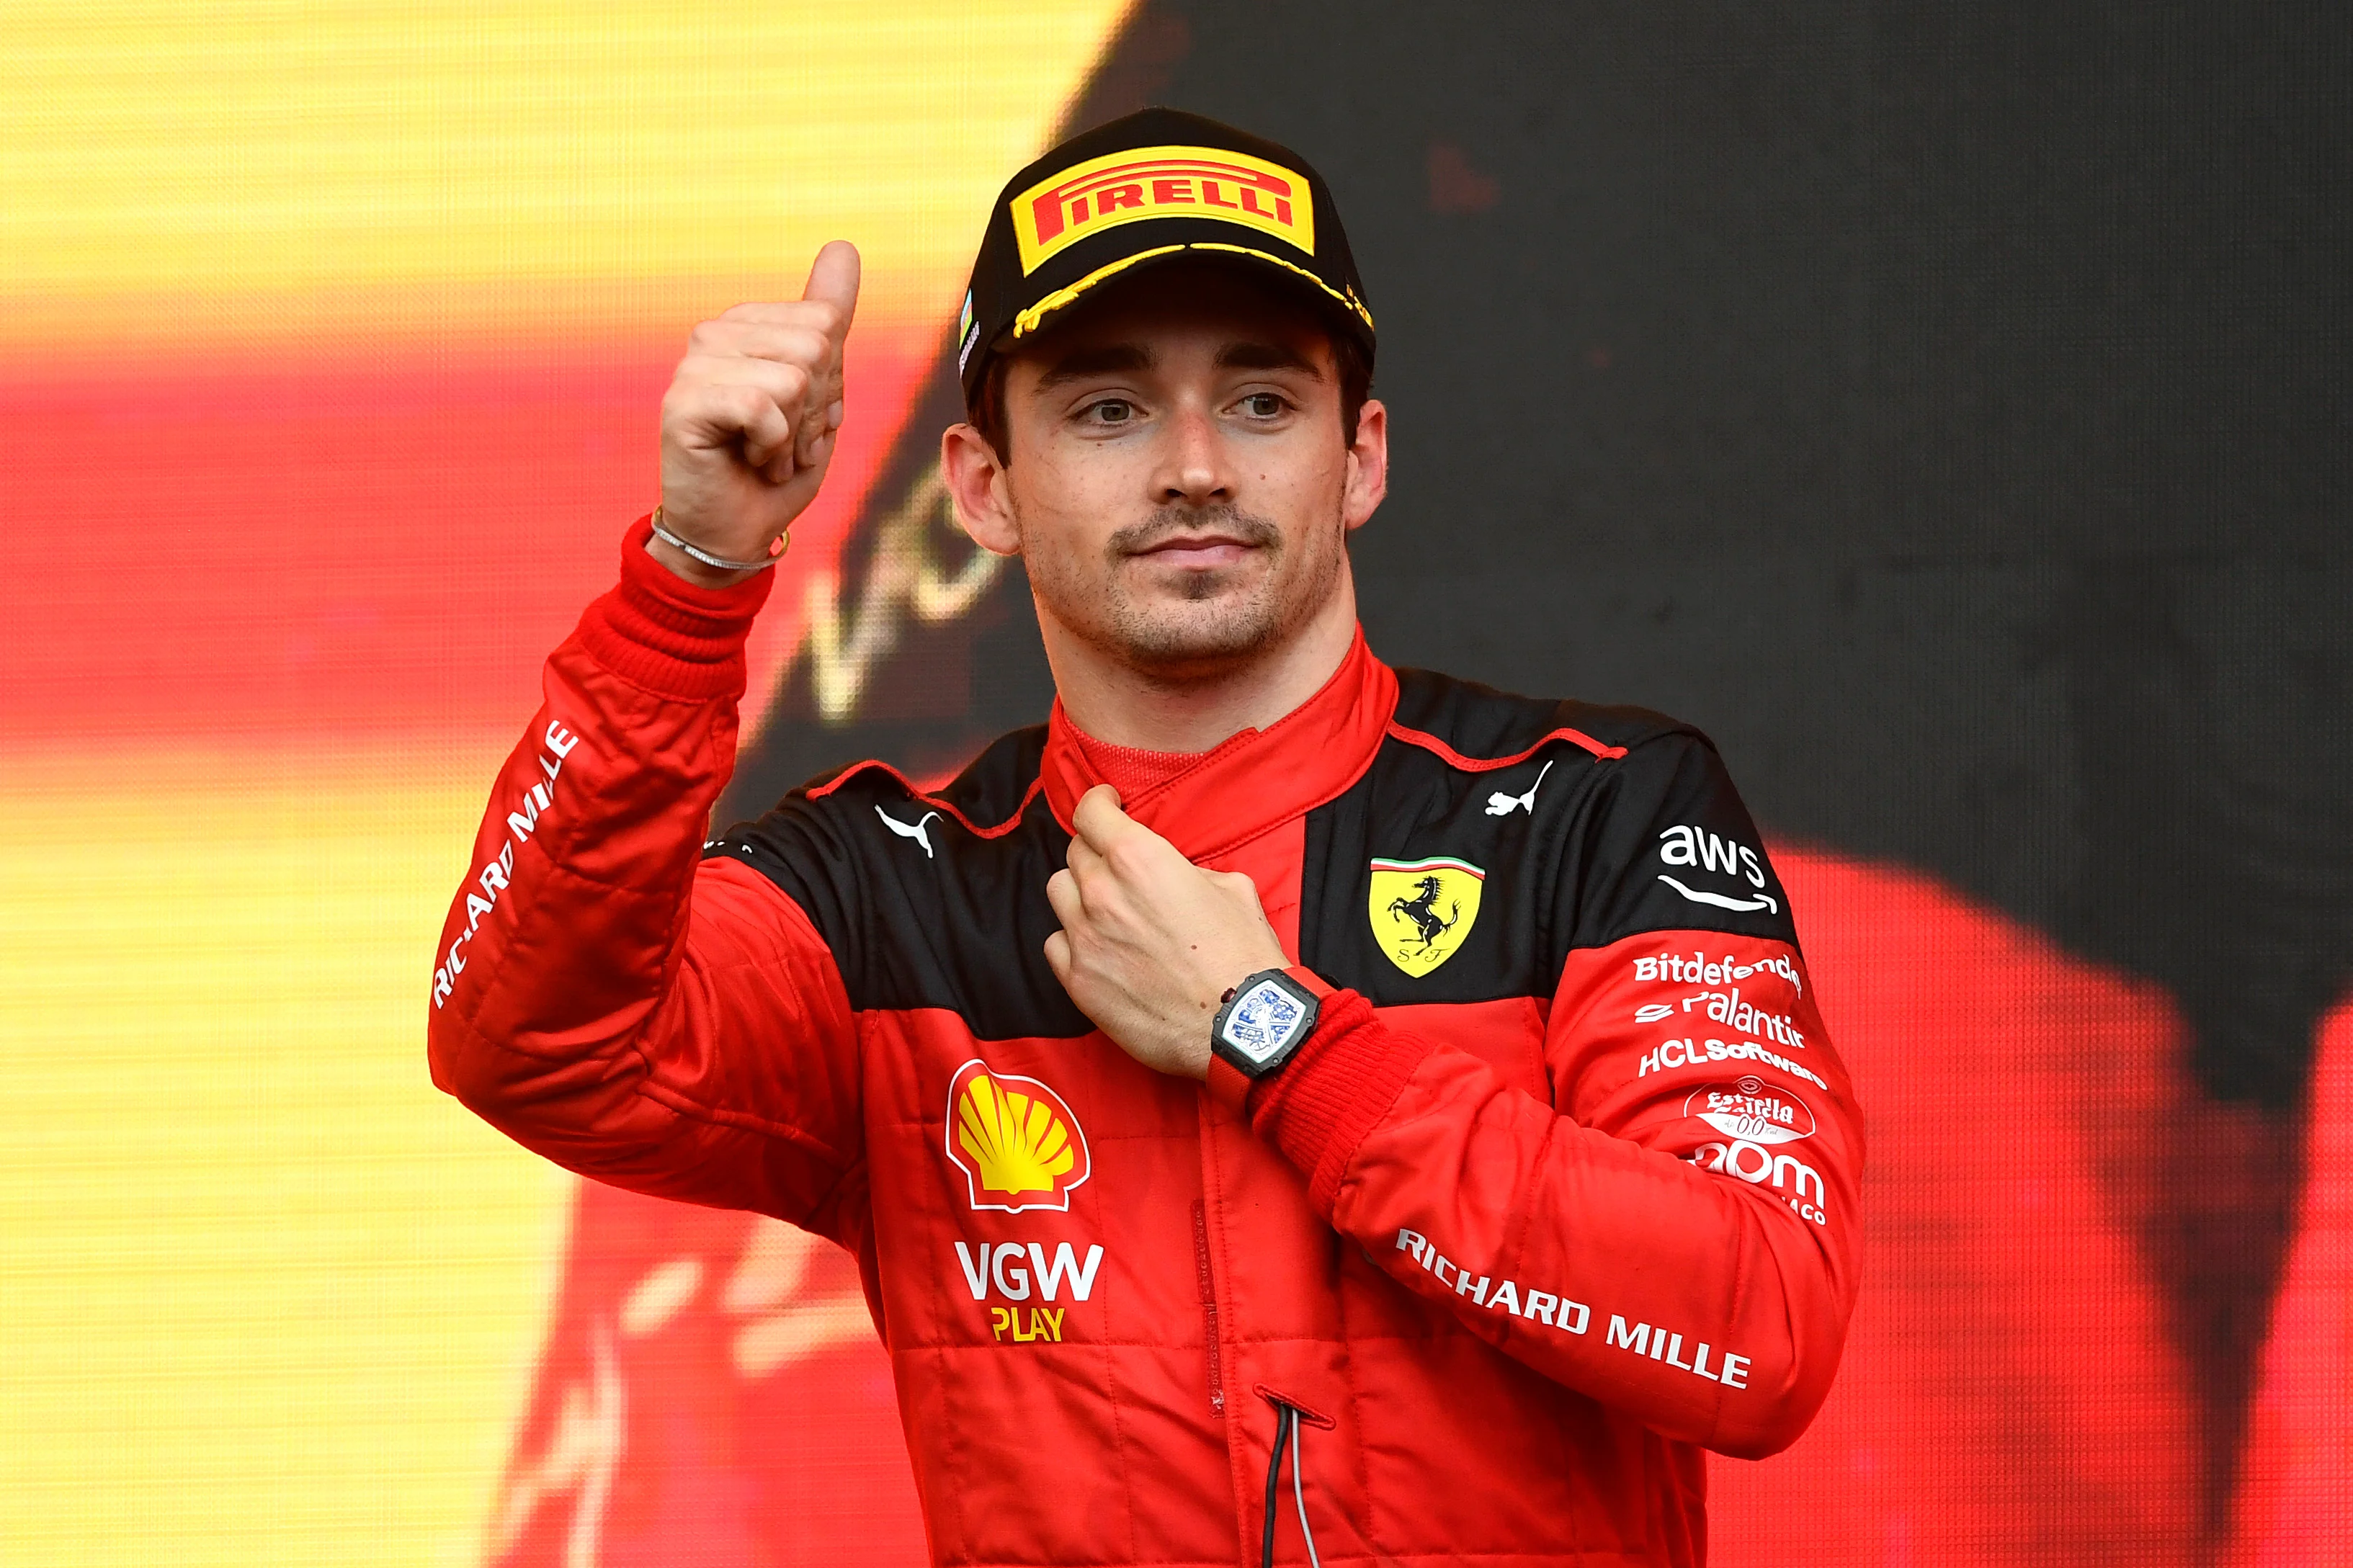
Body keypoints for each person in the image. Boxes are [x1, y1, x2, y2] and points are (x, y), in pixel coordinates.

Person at [429, 108, 1863, 1567]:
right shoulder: (883, 890)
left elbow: (1758, 1328)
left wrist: (1283, 1042)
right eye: (1108, 407)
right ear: (982, 484)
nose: (1191, 465)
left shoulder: (1596, 809)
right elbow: (531, 1041)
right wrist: (692, 578)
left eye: (1257, 401)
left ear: (1359, 457)